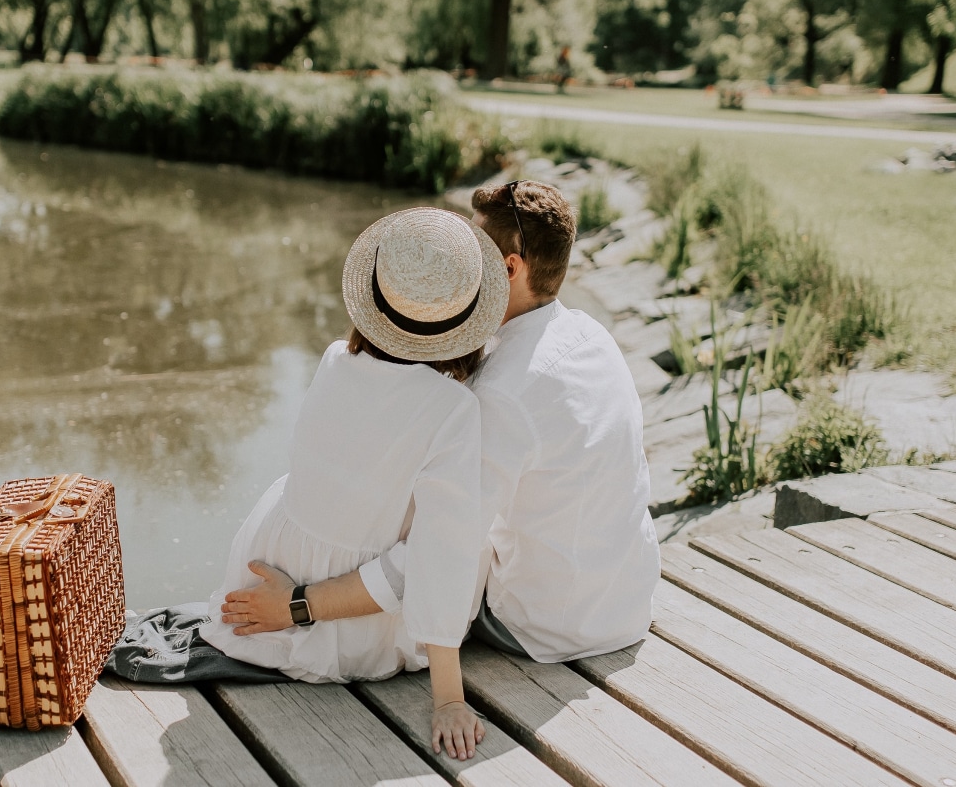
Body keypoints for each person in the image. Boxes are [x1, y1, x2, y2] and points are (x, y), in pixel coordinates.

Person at [106, 207, 509, 761]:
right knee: (474, 539)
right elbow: (440, 557)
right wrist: (448, 699)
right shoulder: (453, 409)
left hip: (265, 570)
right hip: (347, 632)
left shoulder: (335, 360)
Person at [220, 180, 660, 665]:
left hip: (545, 627)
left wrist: (297, 606)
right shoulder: (592, 337)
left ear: (510, 269)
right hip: (628, 603)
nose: (457, 261)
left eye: (472, 252)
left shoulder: (498, 395)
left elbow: (433, 556)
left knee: (421, 520)